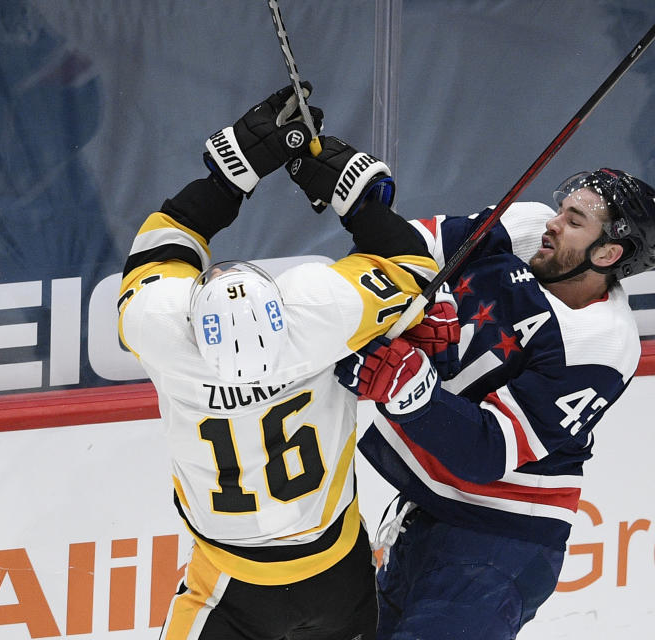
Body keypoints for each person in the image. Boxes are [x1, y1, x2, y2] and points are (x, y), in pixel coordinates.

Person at [117, 84, 438, 640]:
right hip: (337, 572)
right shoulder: (317, 315)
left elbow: (166, 243)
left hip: (228, 582)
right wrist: (356, 198)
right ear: (279, 305)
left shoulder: (164, 327)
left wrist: (226, 178)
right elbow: (412, 265)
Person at [337, 169, 655, 639]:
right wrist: (357, 207)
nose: (554, 224)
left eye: (574, 221)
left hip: (501, 541)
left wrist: (409, 388)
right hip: (427, 509)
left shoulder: (603, 343)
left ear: (608, 253)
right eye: (562, 211)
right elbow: (405, 253)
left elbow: (486, 451)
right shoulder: (529, 228)